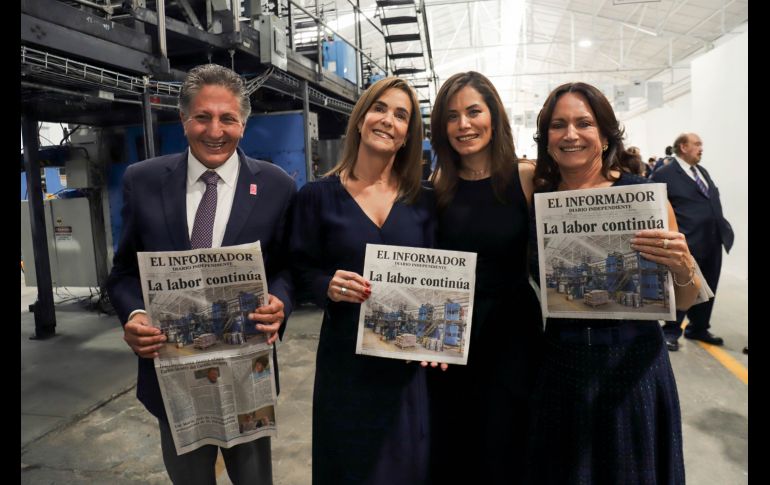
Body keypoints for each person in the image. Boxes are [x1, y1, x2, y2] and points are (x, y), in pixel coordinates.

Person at [106, 63, 296, 485]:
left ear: (243, 124)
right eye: (203, 117)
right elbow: (123, 272)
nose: (215, 131)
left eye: (228, 118)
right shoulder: (144, 181)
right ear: (183, 119)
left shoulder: (276, 186)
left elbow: (287, 268)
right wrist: (134, 315)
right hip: (173, 376)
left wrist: (280, 301)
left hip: (247, 374)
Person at [525, 82, 702, 484]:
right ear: (546, 138)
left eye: (584, 123)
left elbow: (685, 301)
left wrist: (683, 266)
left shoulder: (643, 197)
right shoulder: (538, 201)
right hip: (561, 367)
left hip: (633, 367)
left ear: (605, 135)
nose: (571, 134)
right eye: (558, 125)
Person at [289, 77, 436, 485]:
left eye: (401, 115)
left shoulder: (424, 201)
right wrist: (326, 286)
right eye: (379, 108)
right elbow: (298, 270)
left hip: (406, 367)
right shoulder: (316, 197)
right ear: (360, 119)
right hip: (346, 367)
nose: (388, 120)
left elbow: (441, 277)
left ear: (408, 135)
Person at [427, 71, 544, 484]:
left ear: (494, 116)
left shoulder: (526, 178)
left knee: (506, 443)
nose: (464, 125)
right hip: (453, 334)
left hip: (513, 332)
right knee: (457, 442)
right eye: (452, 116)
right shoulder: (437, 186)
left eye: (474, 112)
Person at [652, 133, 734, 350]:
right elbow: (656, 208)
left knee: (708, 287)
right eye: (697, 144)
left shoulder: (701, 171)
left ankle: (698, 328)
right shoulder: (664, 174)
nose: (701, 148)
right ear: (683, 147)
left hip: (713, 239)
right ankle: (670, 332)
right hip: (688, 242)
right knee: (683, 285)